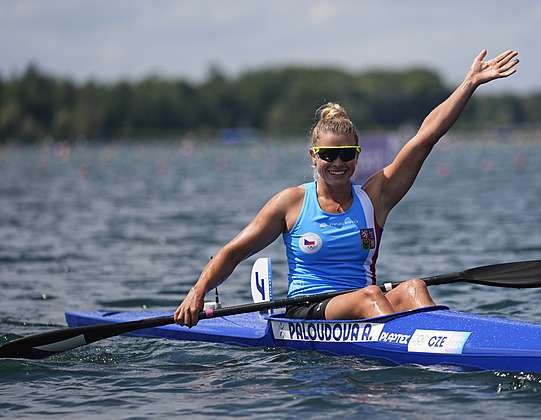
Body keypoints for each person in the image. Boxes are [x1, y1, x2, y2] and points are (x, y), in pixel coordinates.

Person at [175, 49, 519, 327]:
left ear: (357, 155)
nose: (338, 163)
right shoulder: (290, 204)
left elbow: (425, 138)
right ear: (314, 156)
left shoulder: (374, 197)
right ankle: (405, 359)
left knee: (414, 286)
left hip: (365, 306)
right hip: (307, 312)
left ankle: (441, 344)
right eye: (328, 155)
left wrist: (469, 83)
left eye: (346, 154)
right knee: (369, 296)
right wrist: (198, 291)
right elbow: (232, 253)